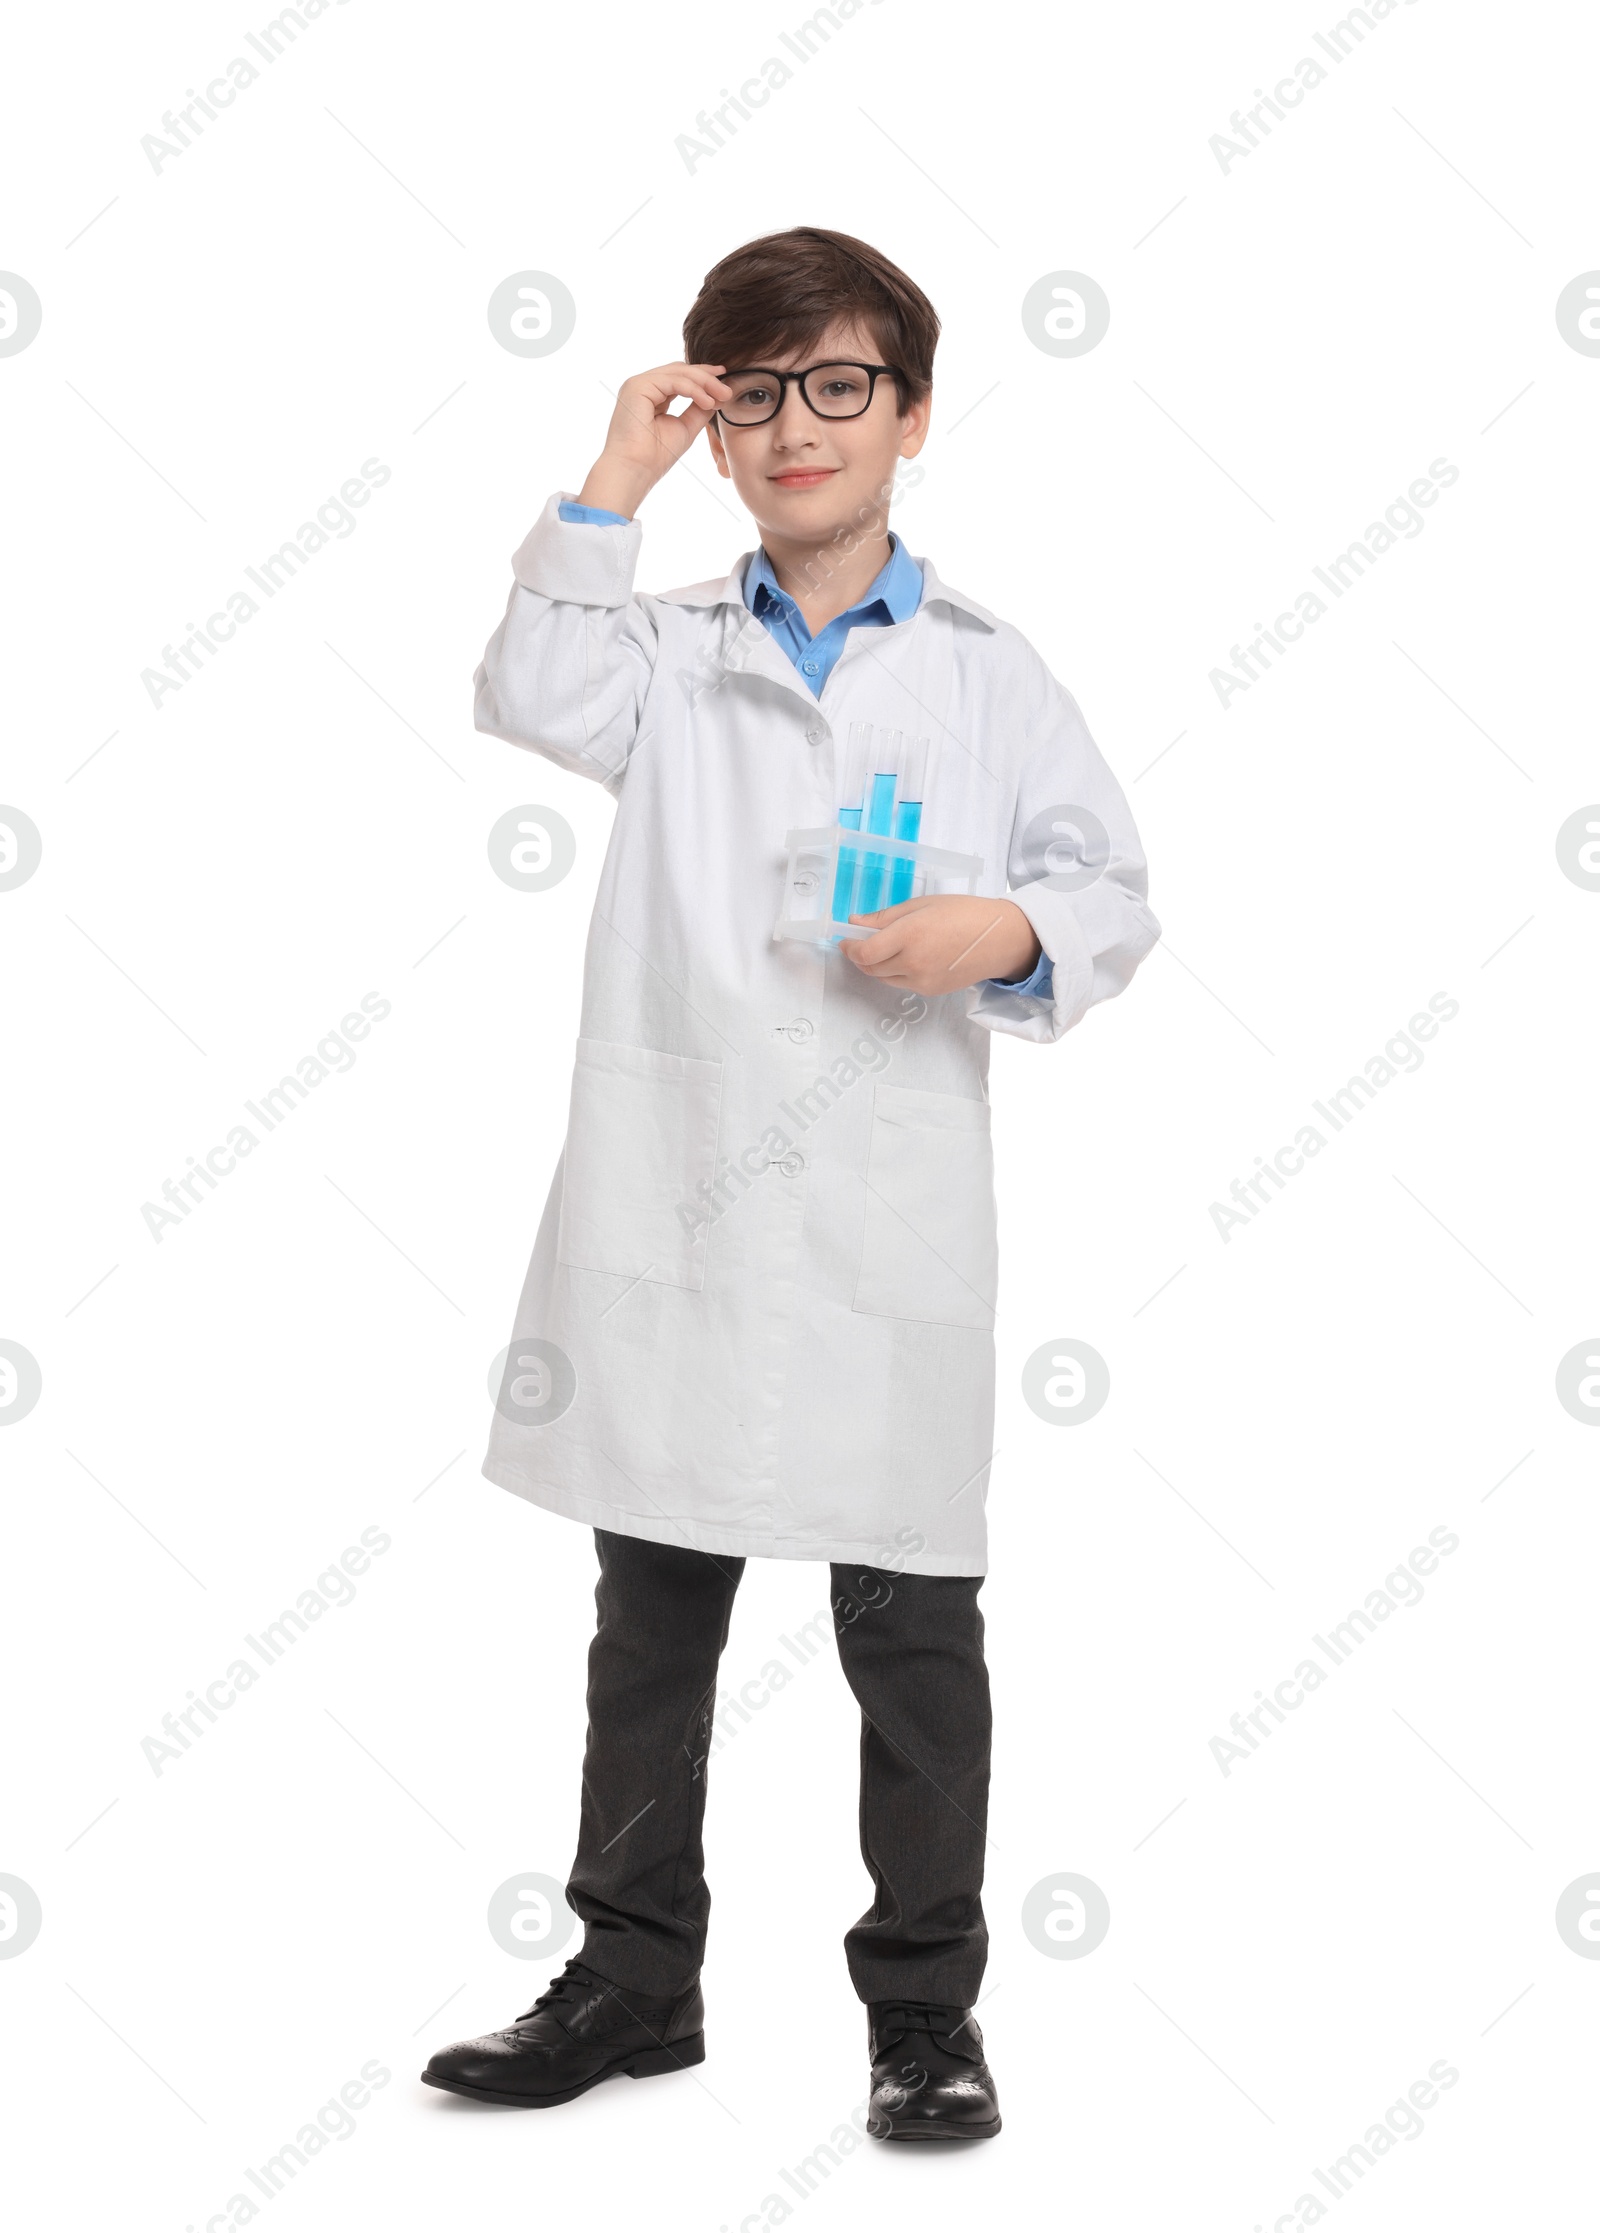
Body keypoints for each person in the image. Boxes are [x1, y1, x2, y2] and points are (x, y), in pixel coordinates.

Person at [422, 226, 1160, 2140]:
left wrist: (998, 929)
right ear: (721, 426)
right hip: (680, 1214)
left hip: (882, 1219)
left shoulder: (992, 673)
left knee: (913, 1638)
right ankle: (630, 1978)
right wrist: (612, 473)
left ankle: (925, 2010)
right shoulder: (663, 649)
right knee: (649, 1618)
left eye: (840, 383)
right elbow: (521, 681)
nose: (796, 422)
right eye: (754, 391)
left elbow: (1111, 892)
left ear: (912, 416)